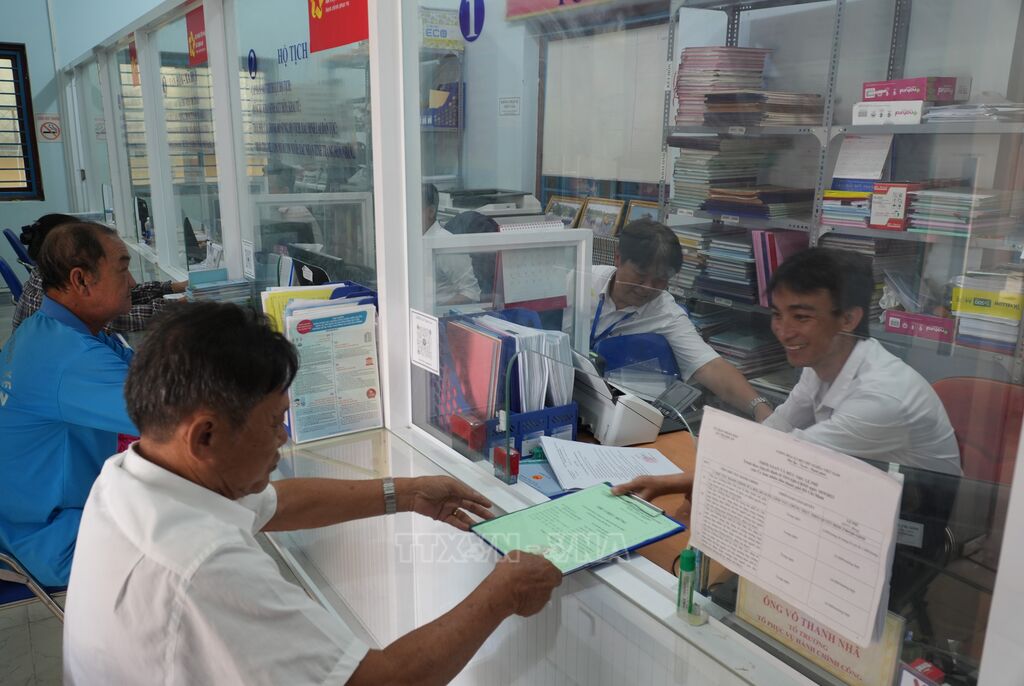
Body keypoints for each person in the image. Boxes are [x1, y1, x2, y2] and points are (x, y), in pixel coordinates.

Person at [64, 302, 562, 685]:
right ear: (206, 435)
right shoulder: (205, 566)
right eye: (273, 422)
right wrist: (503, 593)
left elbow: (276, 503)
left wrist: (406, 493)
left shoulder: (132, 477)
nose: (283, 438)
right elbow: (380, 683)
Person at [614, 247, 962, 502]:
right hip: (857, 496)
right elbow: (777, 432)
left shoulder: (881, 398)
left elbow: (790, 460)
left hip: (914, 526)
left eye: (802, 317)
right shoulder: (823, 363)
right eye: (778, 314)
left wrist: (680, 481)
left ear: (848, 319)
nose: (783, 331)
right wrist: (699, 473)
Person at [0, 222, 139, 586]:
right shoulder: (71, 356)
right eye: (123, 269)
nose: (133, 282)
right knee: (209, 519)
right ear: (81, 280)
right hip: (55, 538)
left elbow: (143, 373)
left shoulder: (47, 329)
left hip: (19, 518)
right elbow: (180, 420)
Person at [591, 219, 772, 421]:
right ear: (618, 258)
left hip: (620, 409)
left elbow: (710, 366)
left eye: (660, 279)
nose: (647, 287)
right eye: (640, 275)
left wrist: (760, 409)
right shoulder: (581, 281)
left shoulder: (665, 312)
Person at [12, 213, 188, 333]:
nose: (132, 282)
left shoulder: (50, 277)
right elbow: (120, 319)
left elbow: (118, 294)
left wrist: (172, 287)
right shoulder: (45, 299)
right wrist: (179, 305)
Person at [423, 182, 482, 306]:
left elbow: (470, 293)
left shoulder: (445, 244)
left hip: (439, 313)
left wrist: (436, 310)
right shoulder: (411, 241)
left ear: (431, 212)